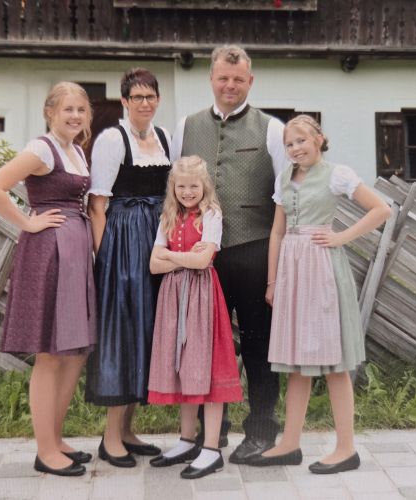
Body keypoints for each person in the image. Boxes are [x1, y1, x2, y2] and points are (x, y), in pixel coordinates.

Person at [252, 114, 391, 473]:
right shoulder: (284, 178)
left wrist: (341, 237)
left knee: (334, 362)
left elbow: (382, 209)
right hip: (292, 273)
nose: (295, 148)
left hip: (323, 270)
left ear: (318, 139)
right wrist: (272, 282)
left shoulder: (336, 174)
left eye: (301, 140)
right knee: (296, 363)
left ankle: (346, 449)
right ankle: (290, 443)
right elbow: (277, 233)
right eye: (289, 143)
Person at [170, 45, 286, 463]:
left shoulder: (272, 129)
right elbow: (174, 190)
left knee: (258, 346)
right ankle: (209, 433)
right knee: (202, 346)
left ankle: (262, 431)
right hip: (203, 257)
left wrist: (277, 269)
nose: (230, 85)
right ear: (212, 79)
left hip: (254, 250)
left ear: (250, 81)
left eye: (238, 79)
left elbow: (285, 198)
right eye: (223, 78)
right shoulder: (186, 126)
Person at [0, 82, 96, 477]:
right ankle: (45, 451)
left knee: (73, 350)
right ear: (50, 112)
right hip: (48, 253)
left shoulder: (75, 150)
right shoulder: (42, 149)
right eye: (68, 110)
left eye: (81, 110)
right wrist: (28, 222)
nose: (75, 116)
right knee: (49, 352)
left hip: (75, 253)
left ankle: (56, 439)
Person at [84, 68, 171, 468]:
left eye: (150, 96)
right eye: (137, 97)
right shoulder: (111, 139)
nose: (145, 103)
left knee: (146, 333)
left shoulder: (165, 137)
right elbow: (97, 205)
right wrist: (105, 259)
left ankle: (128, 431)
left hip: (154, 242)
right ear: (124, 101)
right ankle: (110, 438)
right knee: (124, 333)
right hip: (123, 244)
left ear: (158, 99)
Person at [147, 156, 243, 479]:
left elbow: (203, 262)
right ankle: (187, 440)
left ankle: (211, 448)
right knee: (183, 365)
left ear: (205, 186)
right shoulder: (168, 216)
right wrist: (186, 257)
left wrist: (171, 256)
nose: (187, 192)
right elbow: (153, 265)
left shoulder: (211, 215)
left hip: (202, 296)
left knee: (207, 366)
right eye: (181, 187)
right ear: (173, 188)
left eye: (193, 186)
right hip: (174, 298)